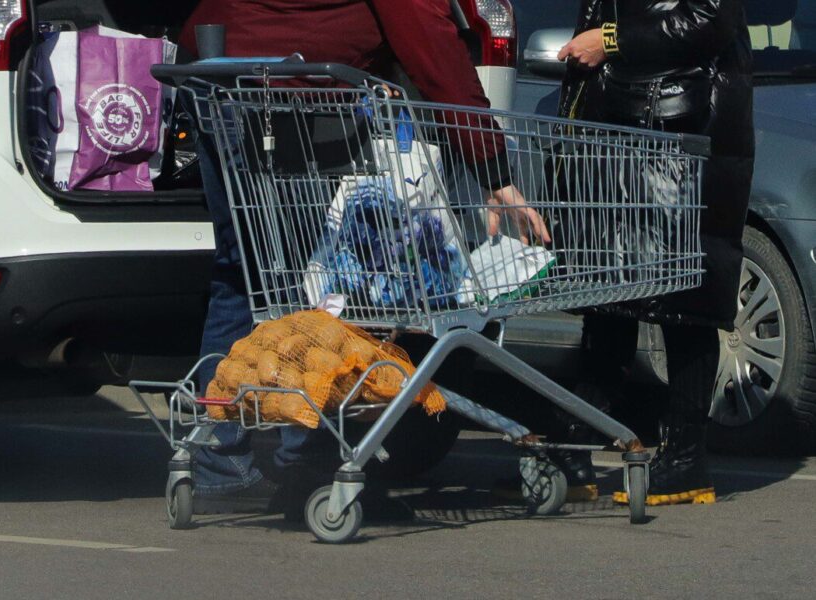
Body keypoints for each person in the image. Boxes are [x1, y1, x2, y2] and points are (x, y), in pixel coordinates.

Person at [181, 0, 549, 514]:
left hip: (217, 81)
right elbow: (430, 45)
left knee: (246, 273)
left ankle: (219, 458)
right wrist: (492, 168)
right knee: (307, 284)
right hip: (292, 101)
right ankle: (305, 468)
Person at [554, 0, 754, 505]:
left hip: (680, 123)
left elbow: (710, 17)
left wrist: (611, 40)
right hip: (625, 119)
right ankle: (573, 449)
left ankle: (686, 457)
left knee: (686, 296)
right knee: (609, 293)